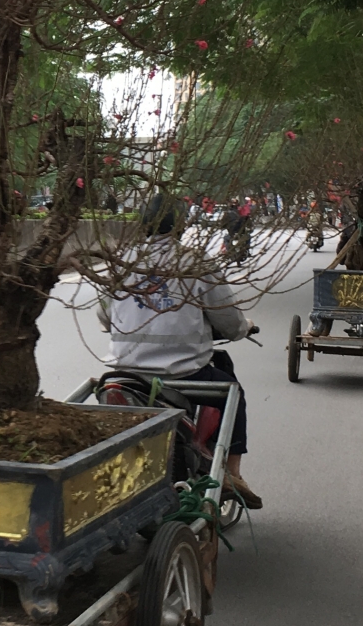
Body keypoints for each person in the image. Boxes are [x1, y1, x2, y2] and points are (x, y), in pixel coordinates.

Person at [101, 196, 262, 508]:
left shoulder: (119, 263)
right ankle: (231, 474)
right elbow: (229, 323)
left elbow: (103, 318)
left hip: (124, 373)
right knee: (233, 393)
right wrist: (244, 328)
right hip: (183, 374)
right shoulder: (196, 263)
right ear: (181, 225)